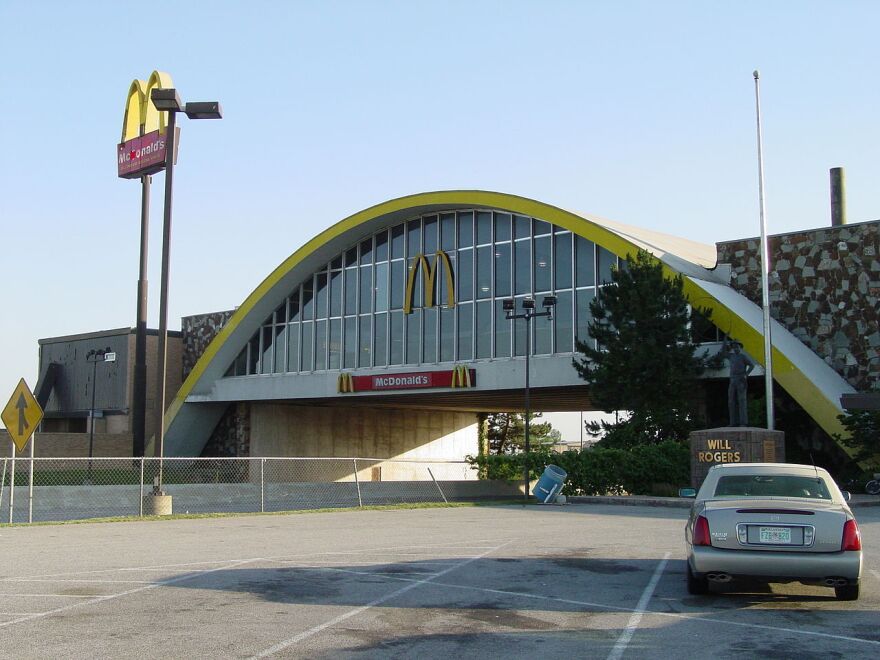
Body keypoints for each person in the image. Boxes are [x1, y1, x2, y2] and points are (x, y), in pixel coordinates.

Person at [721, 341, 755, 426]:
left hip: (741, 380)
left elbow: (752, 365)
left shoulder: (743, 357)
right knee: (731, 401)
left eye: (737, 347)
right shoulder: (731, 356)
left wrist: (746, 375)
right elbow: (723, 352)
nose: (736, 348)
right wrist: (725, 341)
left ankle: (743, 422)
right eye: (734, 347)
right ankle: (732, 422)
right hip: (732, 380)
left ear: (740, 348)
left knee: (742, 401)